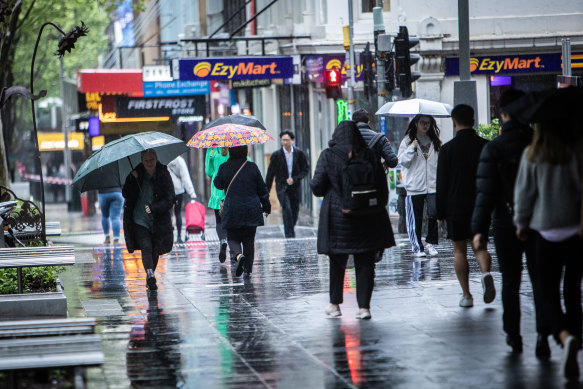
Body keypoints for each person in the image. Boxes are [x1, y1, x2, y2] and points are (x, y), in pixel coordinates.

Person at [471, 89, 546, 355]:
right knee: (541, 280)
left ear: (502, 114)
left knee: (511, 280)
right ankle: (543, 336)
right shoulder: (540, 143)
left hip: (505, 222)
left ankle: (513, 335)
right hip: (540, 222)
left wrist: (478, 230)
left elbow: (486, 193)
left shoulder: (495, 148)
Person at [513, 117, 583, 380]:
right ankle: (575, 337)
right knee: (573, 290)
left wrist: (520, 224)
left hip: (544, 232)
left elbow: (524, 194)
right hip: (575, 232)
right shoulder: (574, 153)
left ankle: (564, 338)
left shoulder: (532, 154)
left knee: (547, 293)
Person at [311, 120, 395, 320]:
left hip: (338, 217)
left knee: (337, 260)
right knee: (365, 262)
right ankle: (364, 308)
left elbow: (317, 187)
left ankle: (334, 304)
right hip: (368, 217)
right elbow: (383, 190)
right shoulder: (370, 155)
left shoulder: (328, 155)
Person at [436, 104, 495, 308]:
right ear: (473, 120)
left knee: (459, 251)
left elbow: (441, 183)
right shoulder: (486, 146)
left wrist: (440, 211)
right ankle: (486, 273)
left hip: (455, 206)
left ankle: (467, 295)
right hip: (480, 204)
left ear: (454, 123)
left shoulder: (447, 150)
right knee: (480, 245)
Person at [214, 145, 270, 277]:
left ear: (230, 151)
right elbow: (262, 189)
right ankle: (248, 270)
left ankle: (239, 256)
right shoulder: (252, 167)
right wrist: (266, 207)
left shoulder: (224, 167)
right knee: (249, 241)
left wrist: (221, 169)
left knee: (232, 238)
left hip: (232, 209)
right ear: (245, 151)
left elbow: (218, 184)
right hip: (251, 209)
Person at [122, 149, 175, 291]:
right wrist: (132, 179)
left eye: (152, 159)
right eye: (146, 160)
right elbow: (126, 193)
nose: (149, 163)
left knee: (155, 248)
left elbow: (170, 198)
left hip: (158, 220)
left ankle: (149, 276)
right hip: (139, 219)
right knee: (146, 246)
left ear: (156, 159)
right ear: (142, 161)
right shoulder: (136, 173)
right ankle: (150, 273)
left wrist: (154, 207)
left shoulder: (163, 174)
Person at [397, 114, 442, 257]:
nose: (425, 125)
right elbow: (402, 161)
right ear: (416, 123)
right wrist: (412, 147)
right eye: (422, 122)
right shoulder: (407, 141)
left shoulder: (434, 141)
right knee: (415, 217)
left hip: (432, 185)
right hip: (414, 185)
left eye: (428, 123)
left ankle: (431, 243)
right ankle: (417, 247)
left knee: (433, 213)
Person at [265, 130, 309, 238]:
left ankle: (291, 229)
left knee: (294, 210)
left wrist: (295, 179)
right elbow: (270, 174)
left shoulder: (299, 154)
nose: (285, 142)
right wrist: (266, 192)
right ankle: (289, 234)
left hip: (295, 187)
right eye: (283, 140)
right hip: (282, 187)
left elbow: (305, 170)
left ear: (292, 140)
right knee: (287, 208)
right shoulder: (276, 155)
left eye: (287, 140)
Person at [167, 155, 196, 244]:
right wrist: (192, 193)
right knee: (178, 212)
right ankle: (179, 236)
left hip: (167, 190)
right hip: (179, 190)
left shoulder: (165, 160)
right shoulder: (179, 161)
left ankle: (169, 237)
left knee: (168, 213)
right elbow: (185, 177)